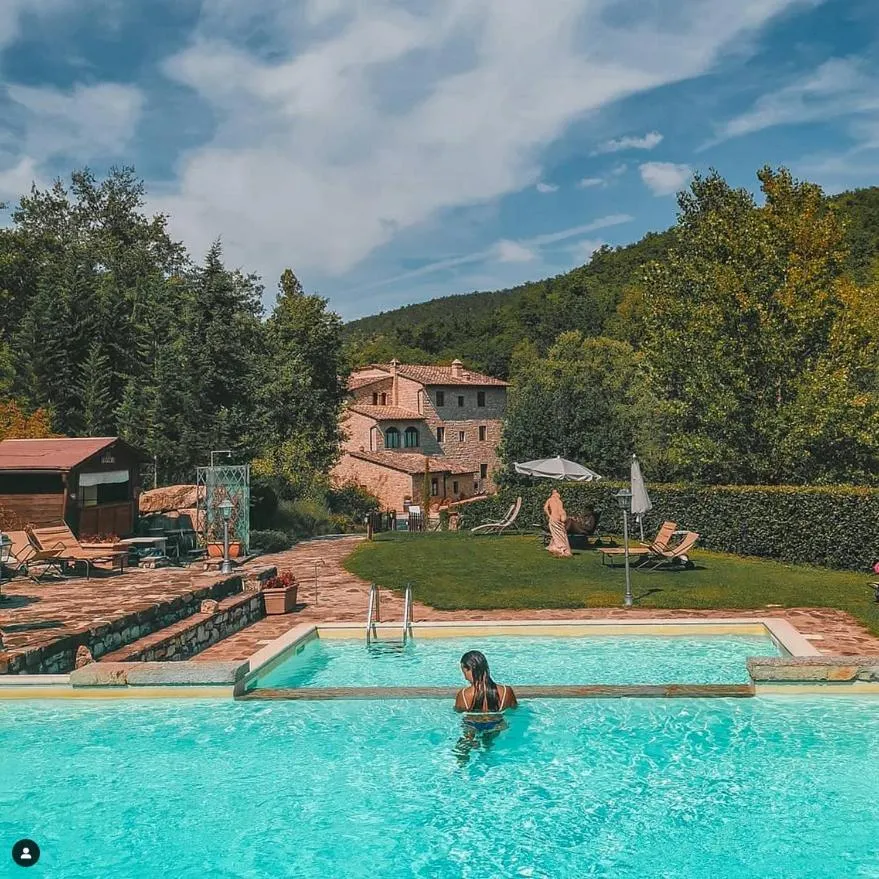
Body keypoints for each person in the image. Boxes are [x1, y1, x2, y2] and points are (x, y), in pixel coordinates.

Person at [453, 651, 517, 763]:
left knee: (462, 748)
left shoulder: (464, 695)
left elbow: (458, 711)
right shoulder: (506, 691)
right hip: (496, 724)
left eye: (464, 671)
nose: (465, 677)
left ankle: (461, 767)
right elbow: (514, 708)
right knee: (488, 748)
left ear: (470, 669)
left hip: (472, 726)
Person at [543, 489, 572, 557]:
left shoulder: (550, 500)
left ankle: (559, 549)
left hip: (554, 518)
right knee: (561, 534)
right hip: (559, 519)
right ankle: (560, 548)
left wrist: (549, 515)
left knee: (556, 535)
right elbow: (561, 512)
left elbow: (545, 508)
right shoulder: (559, 501)